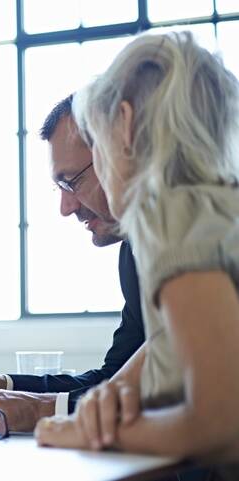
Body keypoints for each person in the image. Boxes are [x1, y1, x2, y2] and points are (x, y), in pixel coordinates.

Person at [35, 32, 239, 477]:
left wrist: (81, 431)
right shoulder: (223, 213)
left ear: (124, 126)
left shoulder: (173, 214)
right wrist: (110, 399)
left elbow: (222, 426)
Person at [0, 95, 145, 432]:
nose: (65, 208)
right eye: (59, 187)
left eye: (72, 181)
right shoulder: (133, 253)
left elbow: (175, 388)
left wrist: (40, 409)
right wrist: (2, 385)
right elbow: (115, 378)